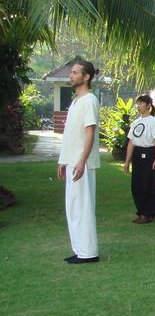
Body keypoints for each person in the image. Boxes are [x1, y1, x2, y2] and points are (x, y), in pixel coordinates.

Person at [57, 59, 101, 264]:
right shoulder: (76, 101)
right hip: (71, 162)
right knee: (73, 208)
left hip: (81, 164)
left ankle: (89, 252)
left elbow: (89, 134)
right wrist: (62, 161)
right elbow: (71, 135)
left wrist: (82, 161)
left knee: (82, 208)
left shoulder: (89, 100)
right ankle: (80, 249)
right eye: (71, 73)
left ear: (86, 77)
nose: (71, 76)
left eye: (75, 73)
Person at [123, 94, 155, 224]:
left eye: (141, 103)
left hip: (149, 153)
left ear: (148, 105)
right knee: (136, 184)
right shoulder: (136, 122)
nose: (138, 106)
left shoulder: (153, 121)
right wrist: (127, 161)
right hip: (138, 155)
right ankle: (140, 211)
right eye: (138, 103)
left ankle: (148, 213)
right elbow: (131, 142)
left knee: (148, 184)